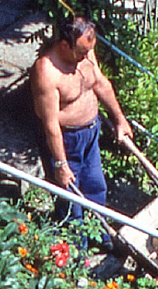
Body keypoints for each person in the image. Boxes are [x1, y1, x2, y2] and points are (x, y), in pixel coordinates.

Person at [30, 15, 133, 246]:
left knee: (96, 186)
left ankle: (102, 237)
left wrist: (120, 120)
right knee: (70, 201)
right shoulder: (47, 71)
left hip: (91, 134)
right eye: (82, 52)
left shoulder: (84, 51)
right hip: (66, 140)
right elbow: (50, 124)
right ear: (65, 45)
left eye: (89, 50)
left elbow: (100, 83)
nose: (87, 57)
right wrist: (61, 164)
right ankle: (77, 254)